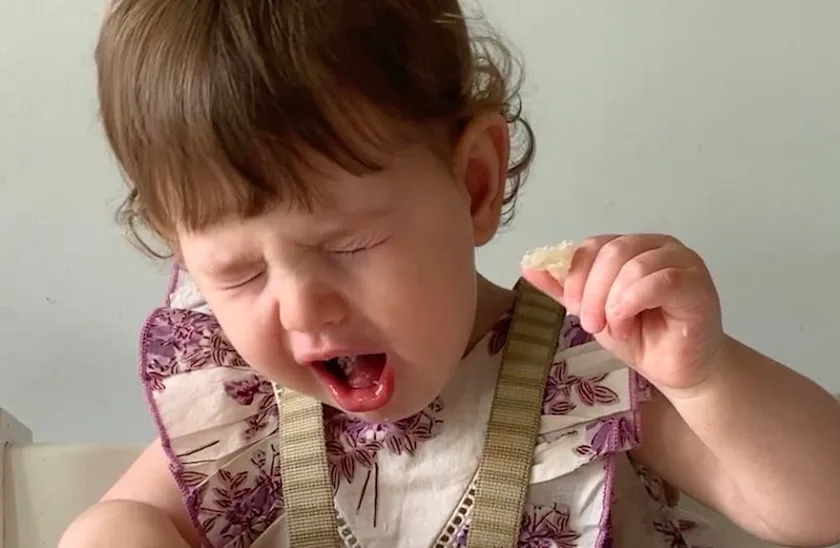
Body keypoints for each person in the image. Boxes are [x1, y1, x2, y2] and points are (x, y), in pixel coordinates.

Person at [61, 0, 840, 546]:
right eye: (235, 273)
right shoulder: (239, 410)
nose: (303, 309)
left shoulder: (590, 381)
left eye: (349, 243)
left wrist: (705, 380)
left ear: (473, 185)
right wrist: (111, 531)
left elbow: (821, 507)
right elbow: (120, 523)